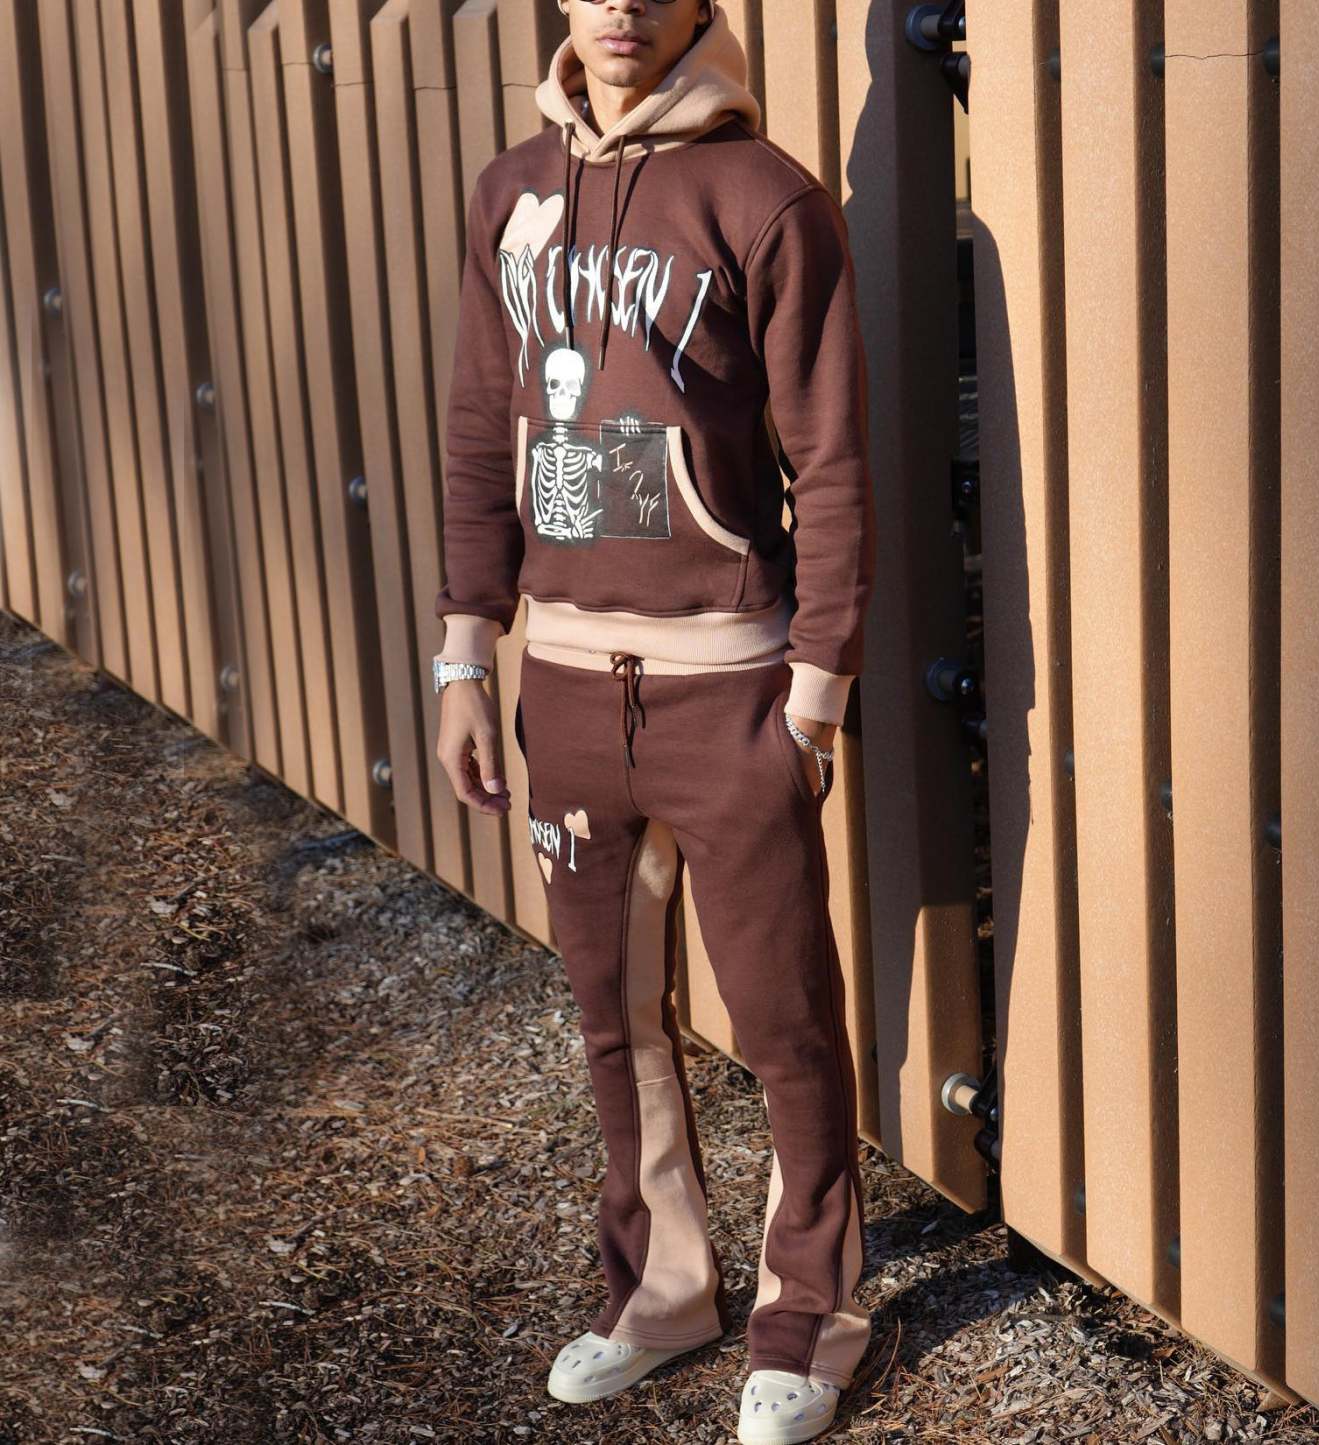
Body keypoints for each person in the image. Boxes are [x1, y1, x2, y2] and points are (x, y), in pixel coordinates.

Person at [432, 0, 876, 1438]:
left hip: (728, 684)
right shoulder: (512, 194)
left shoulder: (764, 197)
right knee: (611, 1017)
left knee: (783, 1021)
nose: (623, 4)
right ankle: (663, 1289)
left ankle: (809, 1312)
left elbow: (831, 455)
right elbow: (480, 427)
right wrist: (464, 653)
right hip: (563, 684)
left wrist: (814, 691)